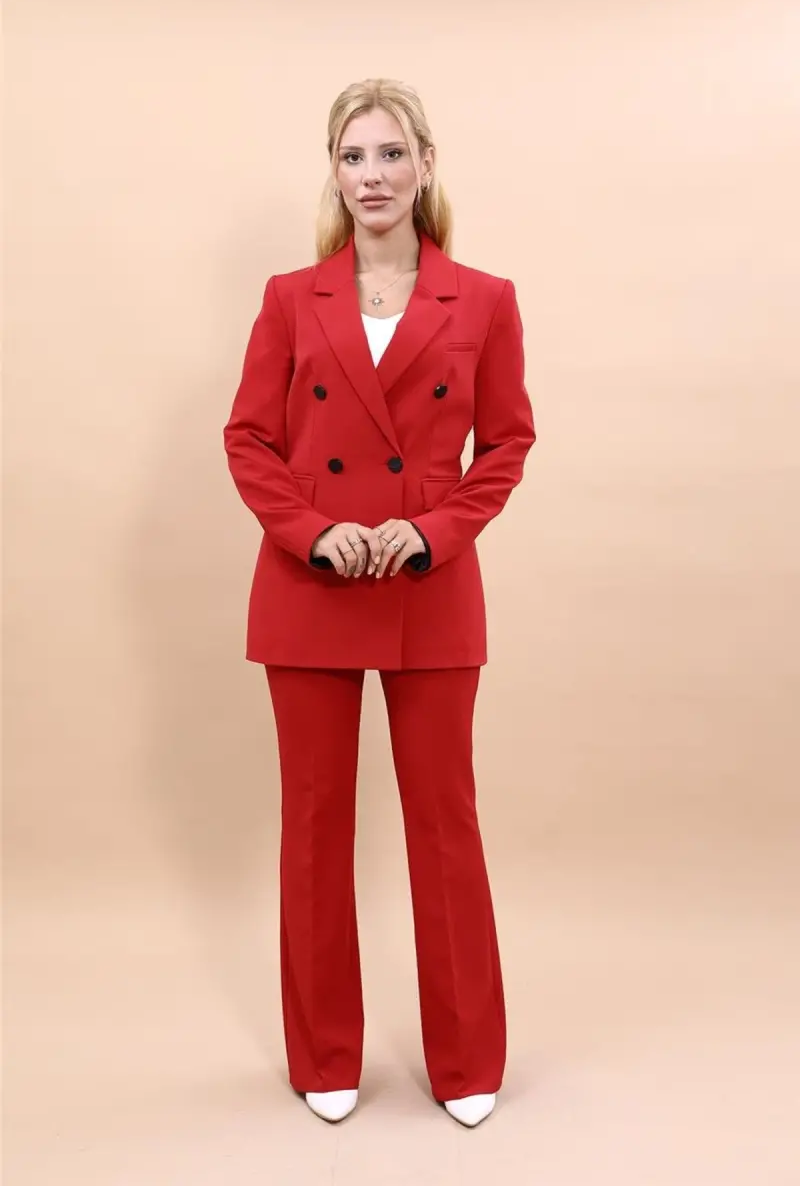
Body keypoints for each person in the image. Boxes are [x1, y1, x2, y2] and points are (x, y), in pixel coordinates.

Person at [223, 78, 536, 1128]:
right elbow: (248, 439)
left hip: (427, 587)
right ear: (333, 172)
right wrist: (311, 530)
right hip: (308, 586)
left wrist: (432, 530)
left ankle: (467, 1061)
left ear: (425, 165)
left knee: (444, 825)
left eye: (390, 154)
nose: (371, 176)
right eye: (352, 157)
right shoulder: (289, 298)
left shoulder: (483, 299)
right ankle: (324, 1054)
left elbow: (505, 446)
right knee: (314, 827)